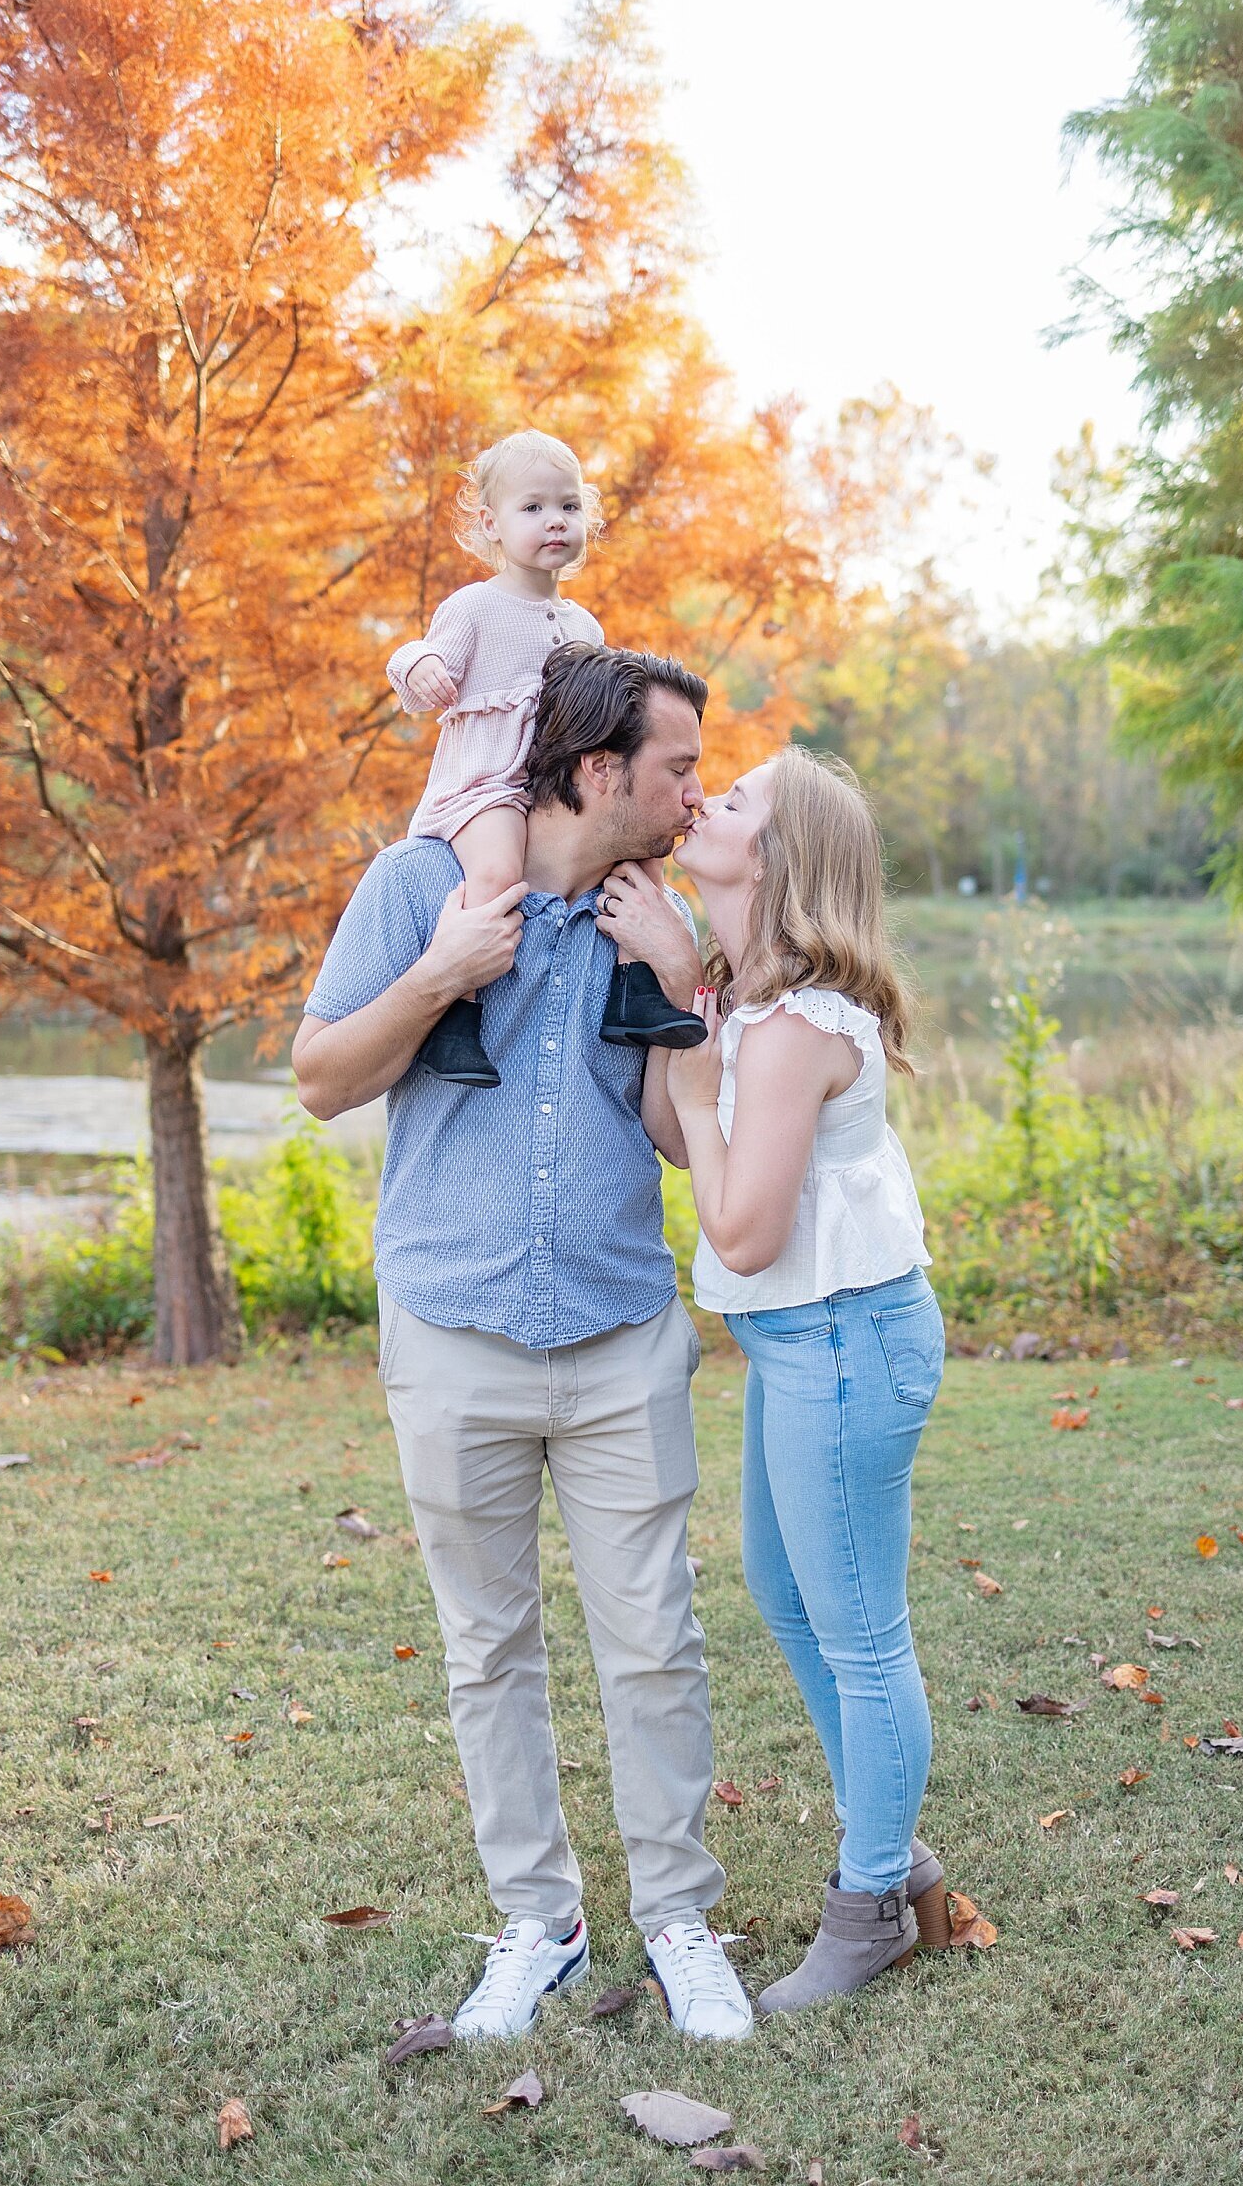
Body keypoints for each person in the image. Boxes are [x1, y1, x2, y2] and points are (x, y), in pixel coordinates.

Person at [292, 645, 754, 2045]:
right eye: (677, 767)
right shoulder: (418, 888)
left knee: (655, 1643)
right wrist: (440, 974)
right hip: (454, 1332)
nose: (695, 792)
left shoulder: (656, 916)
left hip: (620, 1334)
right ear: (600, 770)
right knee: (488, 1649)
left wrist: (688, 988)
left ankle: (678, 1920)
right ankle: (536, 1925)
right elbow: (321, 1079)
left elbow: (684, 1142)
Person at [612, 744, 947, 2015]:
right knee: (787, 1595)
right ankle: (896, 1847)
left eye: (734, 799)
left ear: (780, 856)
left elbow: (740, 1228)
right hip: (798, 1340)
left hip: (849, 1337)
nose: (704, 800)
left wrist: (700, 1083)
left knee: (862, 1636)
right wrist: (673, 991)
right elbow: (675, 1130)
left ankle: (869, 1908)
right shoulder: (754, 1004)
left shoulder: (803, 1028)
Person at [385, 429, 704, 1084]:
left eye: (567, 506)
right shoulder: (475, 606)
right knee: (499, 872)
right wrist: (422, 672)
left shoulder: (584, 626)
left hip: (550, 787)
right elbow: (411, 656)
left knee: (645, 855)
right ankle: (456, 1015)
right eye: (532, 508)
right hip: (485, 787)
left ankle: (633, 992)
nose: (553, 521)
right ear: (490, 524)